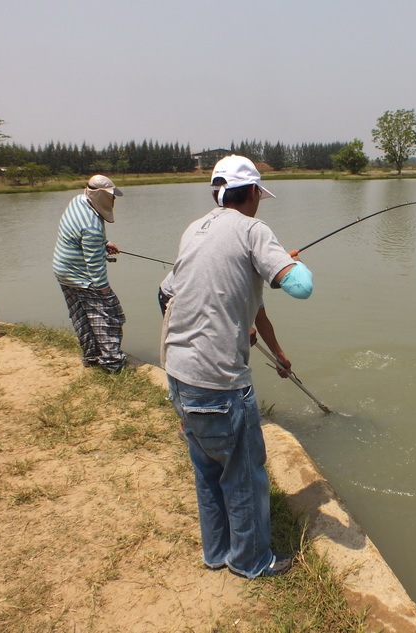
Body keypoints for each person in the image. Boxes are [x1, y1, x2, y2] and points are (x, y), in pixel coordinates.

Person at [162, 155, 313, 578]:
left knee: (209, 471)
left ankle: (217, 553)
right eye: (258, 195)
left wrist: (278, 353)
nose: (259, 203)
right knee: (244, 476)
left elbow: (168, 294)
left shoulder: (194, 230)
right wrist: (288, 263)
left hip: (179, 376)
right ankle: (250, 562)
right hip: (220, 385)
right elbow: (301, 287)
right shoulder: (252, 230)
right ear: (249, 193)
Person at [53, 175, 127, 372]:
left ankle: (92, 356)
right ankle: (112, 363)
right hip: (80, 275)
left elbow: (78, 233)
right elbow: (94, 266)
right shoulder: (92, 227)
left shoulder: (78, 201)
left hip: (62, 270)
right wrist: (103, 290)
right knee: (109, 316)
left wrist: (104, 243)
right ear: (101, 196)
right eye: (111, 196)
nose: (114, 199)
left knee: (81, 316)